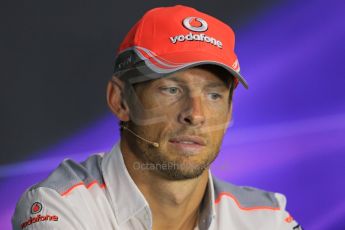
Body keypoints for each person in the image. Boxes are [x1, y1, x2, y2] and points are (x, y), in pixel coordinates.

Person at [12, 5, 302, 230]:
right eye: (172, 89)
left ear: (229, 111)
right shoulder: (60, 205)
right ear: (120, 100)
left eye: (214, 95)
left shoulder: (267, 217)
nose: (196, 114)